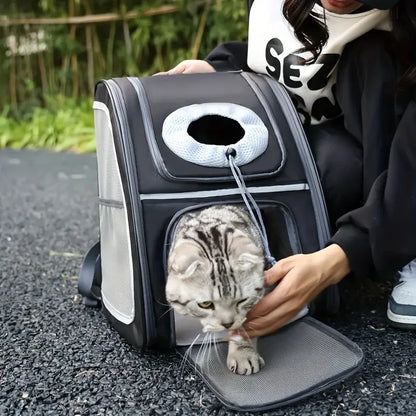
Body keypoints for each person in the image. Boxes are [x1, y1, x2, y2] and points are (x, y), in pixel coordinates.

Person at [158, 0, 416, 334]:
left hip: (356, 146)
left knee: (370, 70)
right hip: (286, 134)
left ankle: (395, 239)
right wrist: (221, 66)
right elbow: (282, 57)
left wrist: (343, 255)